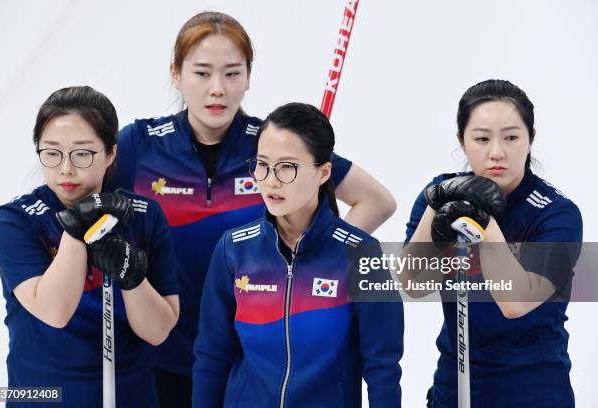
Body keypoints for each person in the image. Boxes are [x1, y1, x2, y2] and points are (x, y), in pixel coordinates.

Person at [113, 11, 397, 406]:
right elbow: (77, 197)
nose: (218, 89)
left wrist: (317, 258)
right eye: (201, 73)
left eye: (232, 73)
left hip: (249, 353)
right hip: (155, 352)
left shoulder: (272, 146)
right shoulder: (140, 146)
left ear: (248, 77)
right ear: (175, 74)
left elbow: (377, 201)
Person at [192, 102, 404, 407]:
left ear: (324, 172)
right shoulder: (233, 248)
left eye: (287, 167)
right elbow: (211, 356)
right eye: (262, 164)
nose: (271, 180)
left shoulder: (362, 255)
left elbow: (382, 368)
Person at [0, 86, 180, 407]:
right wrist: (76, 229)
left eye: (82, 153)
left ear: (110, 153)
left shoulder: (144, 216)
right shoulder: (16, 220)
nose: (66, 168)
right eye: (51, 153)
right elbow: (54, 312)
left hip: (127, 394)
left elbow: (158, 332)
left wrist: (131, 276)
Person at [402, 79, 582, 407]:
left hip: (533, 392)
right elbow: (411, 284)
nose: (496, 152)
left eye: (511, 137)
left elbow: (515, 303)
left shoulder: (557, 214)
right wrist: (435, 203)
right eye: (482, 138)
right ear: (462, 140)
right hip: (454, 389)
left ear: (531, 139)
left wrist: (484, 223)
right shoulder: (440, 195)